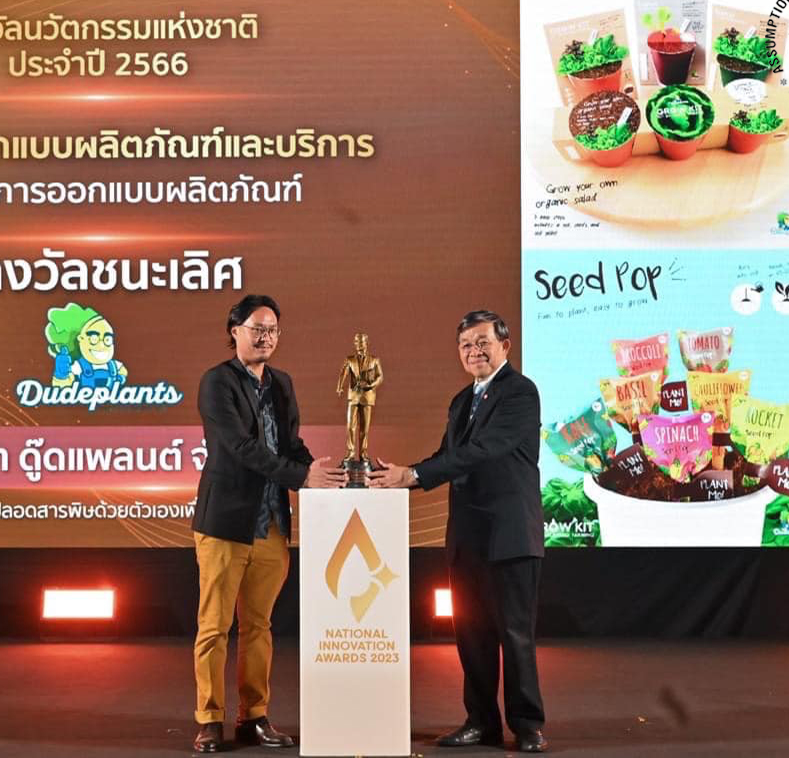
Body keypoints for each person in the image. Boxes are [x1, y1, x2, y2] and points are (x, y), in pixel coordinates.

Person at [369, 310, 548, 753]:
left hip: (510, 534)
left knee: (515, 635)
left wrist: (414, 474)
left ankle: (527, 725)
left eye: (483, 342)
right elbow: (447, 455)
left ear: (505, 346)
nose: (475, 351)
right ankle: (481, 722)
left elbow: (485, 450)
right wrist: (401, 477)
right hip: (467, 537)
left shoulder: (520, 392)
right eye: (466, 344)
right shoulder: (461, 400)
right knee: (471, 635)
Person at [191, 294, 346, 753]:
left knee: (258, 627)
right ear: (234, 331)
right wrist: (301, 476)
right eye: (257, 328)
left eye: (273, 330)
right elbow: (240, 447)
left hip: (272, 524)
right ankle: (209, 719)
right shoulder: (217, 382)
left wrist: (323, 473)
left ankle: (253, 716)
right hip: (226, 522)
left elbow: (289, 444)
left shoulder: (282, 383)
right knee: (214, 626)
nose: (266, 337)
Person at [336, 332, 383, 465]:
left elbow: (380, 377)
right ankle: (350, 452)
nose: (358, 344)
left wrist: (371, 385)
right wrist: (339, 387)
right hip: (353, 396)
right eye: (356, 342)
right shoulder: (350, 360)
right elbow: (343, 373)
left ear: (367, 343)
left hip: (367, 396)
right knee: (350, 426)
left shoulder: (374, 360)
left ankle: (363, 453)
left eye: (361, 342)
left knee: (365, 427)